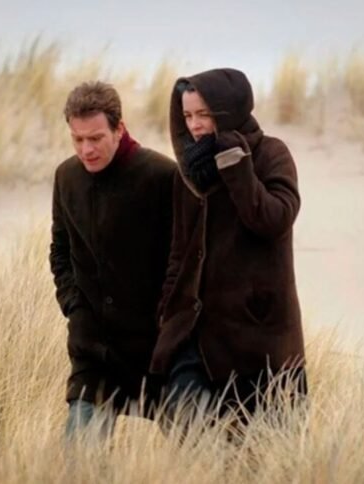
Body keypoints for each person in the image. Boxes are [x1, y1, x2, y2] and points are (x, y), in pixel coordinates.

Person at [150, 68, 308, 433]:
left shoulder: (272, 154)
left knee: (265, 450)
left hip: (260, 336)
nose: (194, 126)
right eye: (187, 115)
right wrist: (167, 312)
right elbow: (179, 253)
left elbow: (274, 220)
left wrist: (237, 166)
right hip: (195, 336)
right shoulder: (188, 172)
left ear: (227, 110)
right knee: (187, 433)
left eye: (204, 114)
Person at [50, 81, 177, 440]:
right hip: (93, 350)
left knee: (195, 457)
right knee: (80, 462)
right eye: (77, 139)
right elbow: (60, 251)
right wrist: (74, 305)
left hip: (157, 349)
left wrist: (168, 319)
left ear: (119, 129)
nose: (86, 149)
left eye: (96, 138)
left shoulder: (162, 176)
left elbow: (182, 259)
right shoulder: (66, 177)